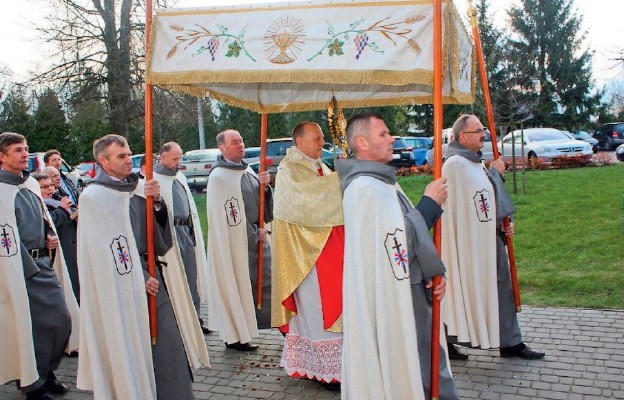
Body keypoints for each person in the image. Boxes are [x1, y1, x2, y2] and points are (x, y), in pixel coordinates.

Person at [77, 134, 209, 400]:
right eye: (121, 156)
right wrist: (139, 275)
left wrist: (157, 204)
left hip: (153, 279)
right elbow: (107, 250)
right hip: (122, 288)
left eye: (128, 154)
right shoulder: (94, 197)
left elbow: (160, 241)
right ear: (102, 161)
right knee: (132, 348)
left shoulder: (138, 188)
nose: (129, 160)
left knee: (168, 346)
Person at [335, 112, 454, 399]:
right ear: (362, 142)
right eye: (384, 134)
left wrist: (431, 272)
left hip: (409, 287)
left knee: (427, 363)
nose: (392, 139)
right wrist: (429, 204)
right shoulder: (363, 189)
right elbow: (398, 240)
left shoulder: (383, 181)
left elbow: (400, 239)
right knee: (416, 364)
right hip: (394, 296)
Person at [441, 114, 545, 359]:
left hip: (486, 239)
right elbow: (478, 199)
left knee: (499, 288)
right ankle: (446, 342)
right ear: (461, 136)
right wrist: (496, 174)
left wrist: (501, 224)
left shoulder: (473, 162)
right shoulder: (455, 164)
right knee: (464, 291)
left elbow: (482, 204)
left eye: (483, 129)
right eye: (477, 131)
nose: (483, 135)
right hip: (469, 245)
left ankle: (510, 342)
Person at [0, 132, 74, 400]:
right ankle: (33, 385)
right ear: (2, 156)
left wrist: (47, 234)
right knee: (29, 326)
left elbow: (41, 218)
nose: (24, 154)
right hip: (20, 269)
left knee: (60, 322)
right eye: (17, 150)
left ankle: (44, 372)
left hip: (43, 262)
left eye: (26, 149)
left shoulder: (30, 184)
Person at [271, 122, 344, 391]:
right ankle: (324, 370)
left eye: (322, 137)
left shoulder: (318, 165)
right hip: (305, 257)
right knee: (316, 310)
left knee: (329, 306)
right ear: (300, 142)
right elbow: (312, 200)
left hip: (325, 249)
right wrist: (346, 175)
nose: (321, 142)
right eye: (316, 138)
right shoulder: (290, 170)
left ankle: (326, 367)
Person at [206, 129, 273, 351]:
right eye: (234, 142)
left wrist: (265, 187)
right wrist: (253, 233)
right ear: (222, 148)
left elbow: (259, 202)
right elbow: (227, 219)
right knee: (237, 285)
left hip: (255, 240)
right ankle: (235, 336)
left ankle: (261, 325)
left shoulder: (247, 169)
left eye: (242, 140)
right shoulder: (219, 177)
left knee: (263, 284)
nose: (241, 145)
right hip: (236, 245)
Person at [154, 141, 214, 334]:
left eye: (179, 158)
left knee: (191, 275)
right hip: (170, 233)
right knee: (176, 278)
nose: (178, 162)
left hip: (186, 230)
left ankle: (195, 318)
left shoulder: (179, 176)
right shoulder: (153, 179)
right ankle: (179, 321)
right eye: (175, 158)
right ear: (162, 157)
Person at [34, 173, 80, 304]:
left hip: (72, 254)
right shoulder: (39, 206)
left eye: (51, 185)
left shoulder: (60, 203)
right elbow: (49, 222)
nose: (50, 189)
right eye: (44, 187)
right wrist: (63, 210)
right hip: (57, 258)